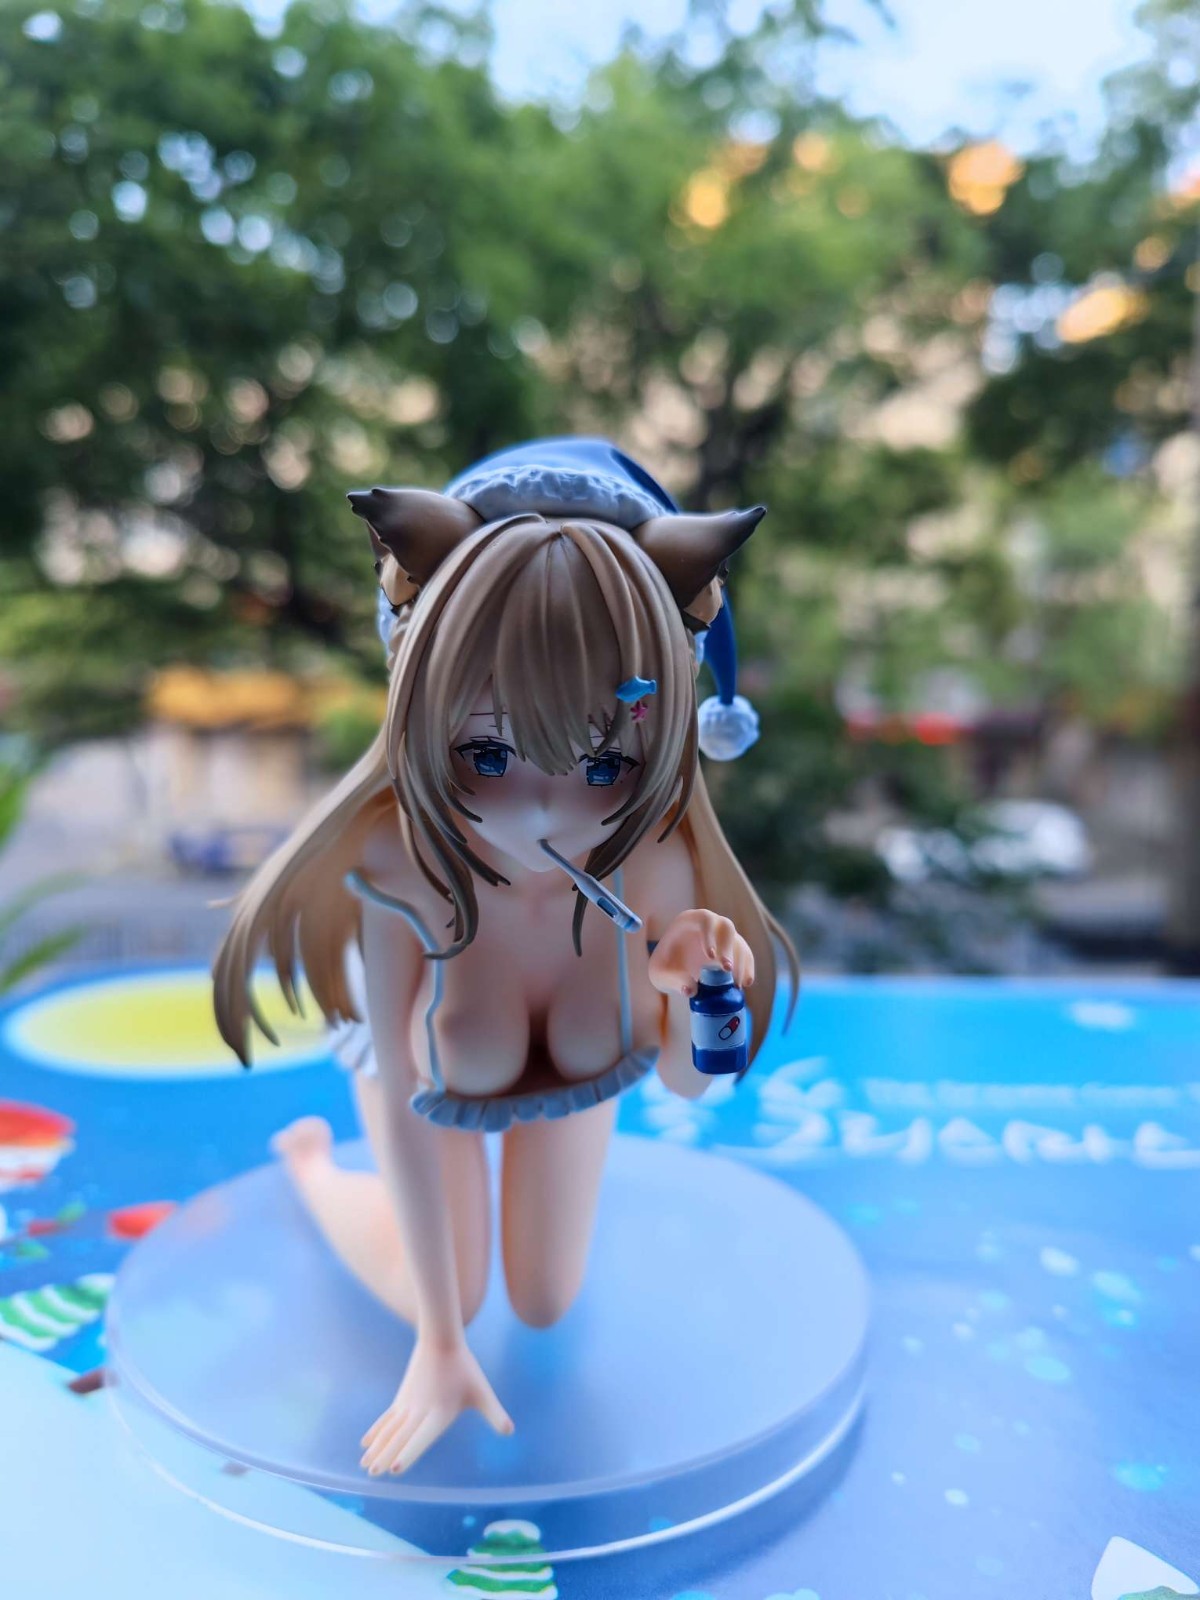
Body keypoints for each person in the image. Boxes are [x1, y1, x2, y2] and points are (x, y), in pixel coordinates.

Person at [212, 438, 797, 1477]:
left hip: (573, 1077)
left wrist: (692, 996)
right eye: (486, 754)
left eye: (605, 763)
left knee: (543, 1297)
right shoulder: (402, 862)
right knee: (450, 1287)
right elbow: (402, 1088)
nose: (542, 808)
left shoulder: (653, 863)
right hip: (431, 1093)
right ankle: (311, 1170)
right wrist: (440, 1341)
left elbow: (690, 1087)